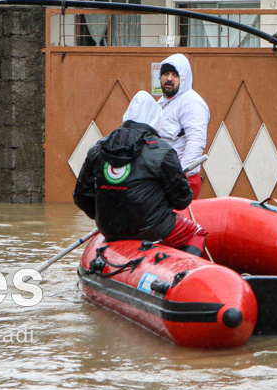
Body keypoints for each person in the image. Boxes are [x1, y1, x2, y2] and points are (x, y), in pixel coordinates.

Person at [73, 91, 208, 255]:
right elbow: (182, 200)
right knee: (197, 233)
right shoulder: (162, 151)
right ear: (156, 119)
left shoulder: (98, 147)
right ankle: (183, 268)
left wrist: (103, 216)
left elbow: (81, 195)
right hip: (151, 228)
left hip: (108, 228)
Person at [155, 53, 210, 199]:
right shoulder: (163, 102)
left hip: (181, 180)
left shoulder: (191, 102)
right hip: (162, 177)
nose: (169, 78)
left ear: (183, 78)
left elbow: (196, 141)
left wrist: (180, 173)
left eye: (175, 75)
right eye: (165, 74)